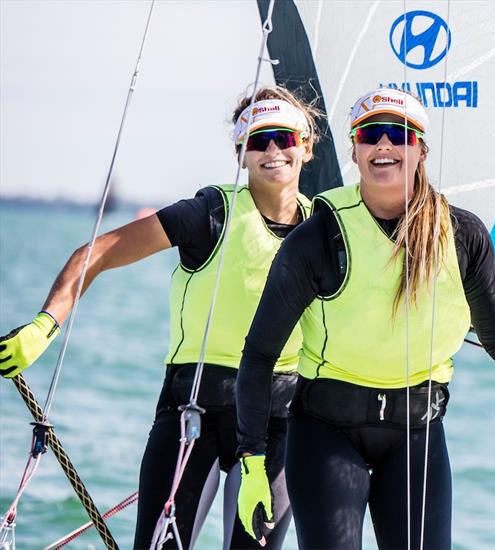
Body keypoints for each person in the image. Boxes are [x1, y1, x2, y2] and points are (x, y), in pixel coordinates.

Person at [235, 87, 495, 548]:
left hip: (416, 434)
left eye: (398, 133)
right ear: (354, 148)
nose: (384, 145)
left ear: (421, 149)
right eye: (371, 134)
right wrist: (252, 463)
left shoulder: (462, 234)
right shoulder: (317, 238)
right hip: (325, 431)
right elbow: (260, 353)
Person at [0, 86, 320, 549]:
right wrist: (44, 326)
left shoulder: (324, 230)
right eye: (258, 139)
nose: (272, 150)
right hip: (195, 409)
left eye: (284, 138)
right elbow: (97, 254)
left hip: (279, 421)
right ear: (240, 151)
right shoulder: (209, 213)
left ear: (306, 148)